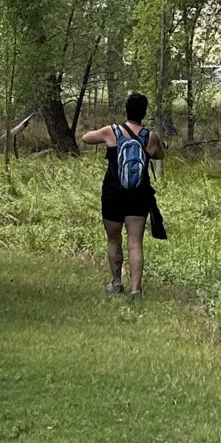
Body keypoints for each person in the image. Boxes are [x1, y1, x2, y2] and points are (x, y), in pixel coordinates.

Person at [81, 89, 158, 297]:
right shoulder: (149, 136)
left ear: (126, 110)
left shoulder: (111, 131)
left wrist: (101, 134)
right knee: (135, 242)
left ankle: (116, 283)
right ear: (144, 112)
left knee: (113, 239)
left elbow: (85, 138)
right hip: (138, 194)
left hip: (113, 193)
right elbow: (159, 154)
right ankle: (136, 289)